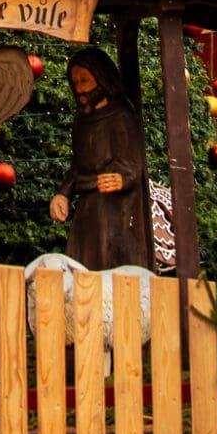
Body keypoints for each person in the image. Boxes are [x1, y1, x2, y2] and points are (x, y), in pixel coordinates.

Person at [50, 47, 148, 269]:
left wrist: (121, 179)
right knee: (81, 261)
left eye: (85, 80)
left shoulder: (121, 115)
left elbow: (133, 164)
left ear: (102, 79)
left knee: (107, 260)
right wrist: (63, 194)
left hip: (115, 208)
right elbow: (78, 164)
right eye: (76, 82)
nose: (80, 89)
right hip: (87, 205)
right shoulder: (81, 119)